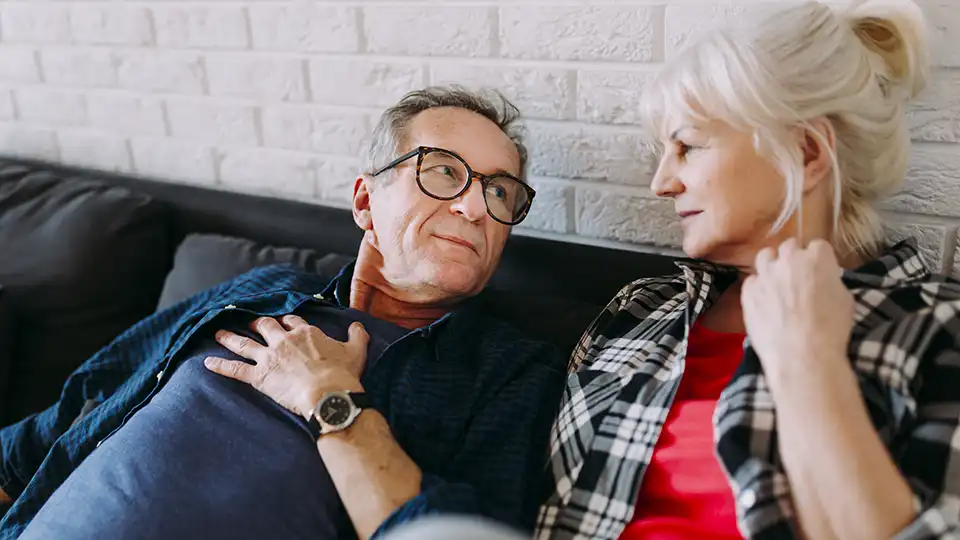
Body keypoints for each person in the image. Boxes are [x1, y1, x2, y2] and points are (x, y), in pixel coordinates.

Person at [379, 1, 960, 539]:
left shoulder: (933, 324)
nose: (662, 183)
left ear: (807, 153)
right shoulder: (640, 311)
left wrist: (806, 362)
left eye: (688, 147)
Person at [0, 85, 566, 540]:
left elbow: (463, 532)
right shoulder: (264, 290)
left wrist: (328, 395)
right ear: (366, 201)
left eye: (500, 192)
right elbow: (61, 422)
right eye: (444, 171)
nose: (474, 207)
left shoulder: (507, 371)